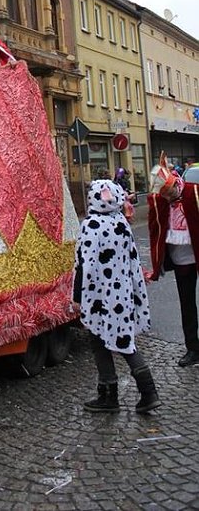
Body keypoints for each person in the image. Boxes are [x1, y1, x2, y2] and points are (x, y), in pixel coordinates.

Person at [73, 179, 159, 414]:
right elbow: (133, 260)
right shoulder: (121, 222)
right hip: (122, 294)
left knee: (104, 341)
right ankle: (142, 392)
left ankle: (120, 395)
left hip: (98, 296)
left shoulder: (91, 225)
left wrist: (78, 297)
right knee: (120, 339)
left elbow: (84, 265)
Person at [148, 151, 199, 367]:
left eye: (168, 192)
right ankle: (193, 348)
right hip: (180, 261)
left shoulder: (193, 192)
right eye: (164, 194)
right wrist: (157, 263)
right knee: (187, 306)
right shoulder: (160, 201)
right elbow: (155, 229)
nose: (167, 197)